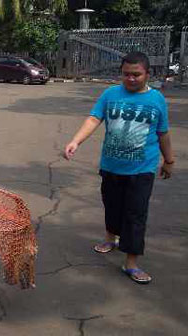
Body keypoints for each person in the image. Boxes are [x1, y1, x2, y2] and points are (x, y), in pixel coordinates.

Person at [64, 52, 174, 284]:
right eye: (126, 74)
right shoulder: (110, 94)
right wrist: (76, 141)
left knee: (135, 214)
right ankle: (110, 238)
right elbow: (94, 119)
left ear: (147, 74)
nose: (131, 79)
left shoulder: (156, 100)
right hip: (111, 166)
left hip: (142, 169)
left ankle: (131, 263)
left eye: (136, 75)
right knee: (112, 206)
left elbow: (163, 133)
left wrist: (169, 160)